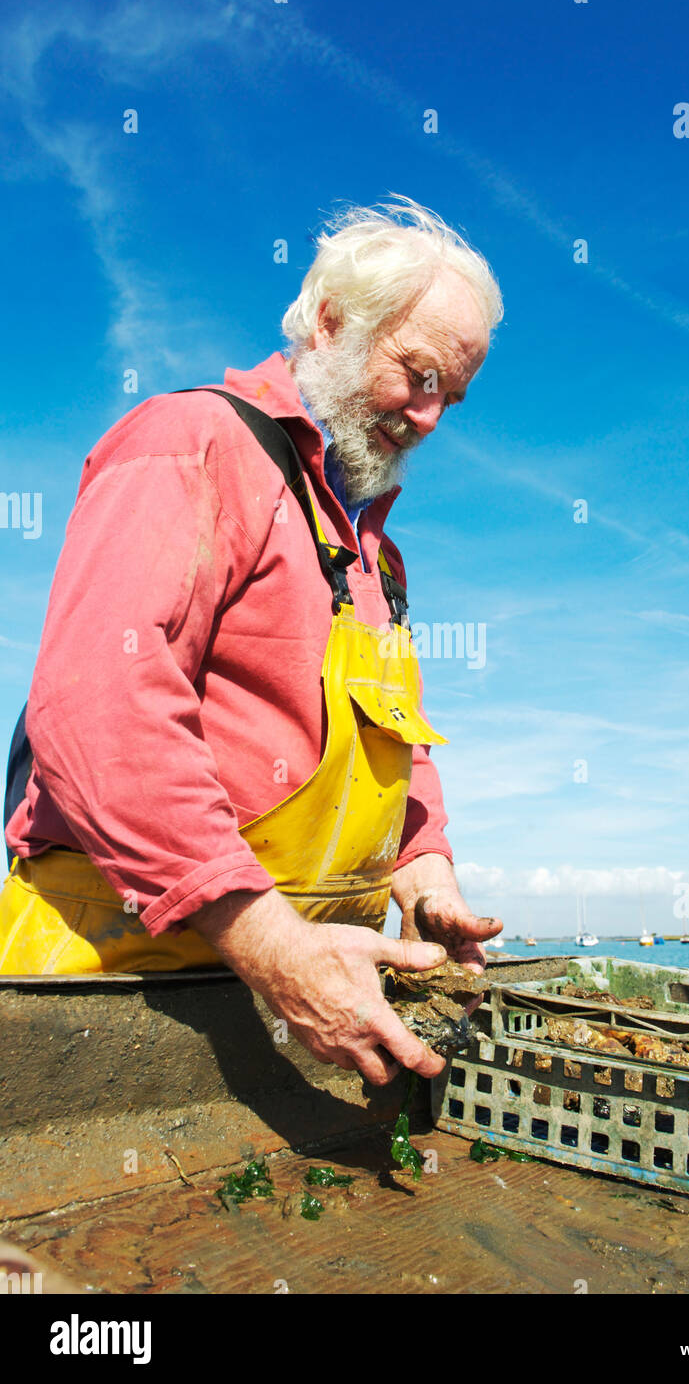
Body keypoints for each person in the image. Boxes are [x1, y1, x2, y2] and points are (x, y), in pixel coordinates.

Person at [0, 197, 504, 1086]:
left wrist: (427, 882)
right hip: (116, 990)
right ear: (330, 321)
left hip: (312, 994)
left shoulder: (376, 557)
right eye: (418, 375)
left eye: (449, 399)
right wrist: (273, 946)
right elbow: (98, 708)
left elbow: (400, 753)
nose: (429, 418)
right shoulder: (187, 440)